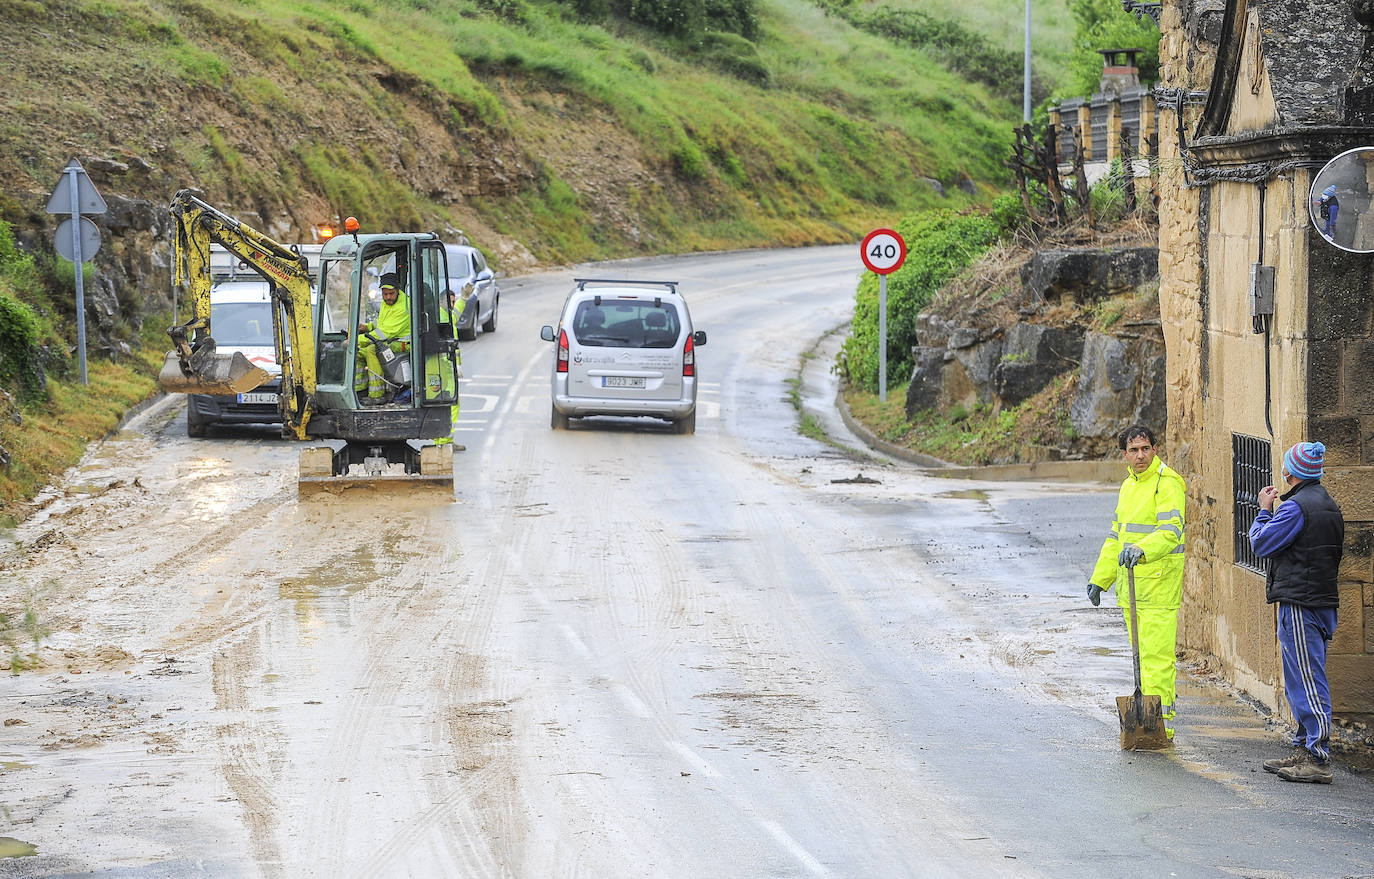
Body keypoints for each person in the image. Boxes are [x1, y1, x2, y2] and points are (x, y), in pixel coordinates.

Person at [1248, 441, 1343, 784]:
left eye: (1286, 465)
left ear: (1291, 472)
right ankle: (1305, 748)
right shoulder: (1327, 504)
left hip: (1302, 604)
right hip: (1318, 600)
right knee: (1304, 677)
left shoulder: (1296, 508)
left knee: (1306, 680)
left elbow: (1260, 543)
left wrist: (1263, 510)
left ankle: (1316, 756)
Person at [1087, 424, 1187, 740]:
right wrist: (1100, 579)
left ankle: (1162, 727)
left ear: (1154, 449)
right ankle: (1145, 721)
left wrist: (1142, 550)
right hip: (1132, 590)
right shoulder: (1128, 487)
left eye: (1145, 448)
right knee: (1140, 660)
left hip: (1158, 587)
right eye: (1134, 450)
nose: (1140, 455)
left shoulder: (1167, 483)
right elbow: (1117, 537)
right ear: (1125, 455)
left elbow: (1171, 531)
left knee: (1156, 659)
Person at [355, 272, 410, 404]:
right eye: (385, 294)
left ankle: (378, 395)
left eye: (391, 294)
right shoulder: (388, 303)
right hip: (390, 340)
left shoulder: (404, 307)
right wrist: (367, 327)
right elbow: (381, 323)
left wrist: (356, 340)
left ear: (398, 290)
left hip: (403, 343)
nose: (388, 297)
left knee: (371, 350)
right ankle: (361, 390)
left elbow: (384, 333)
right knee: (357, 352)